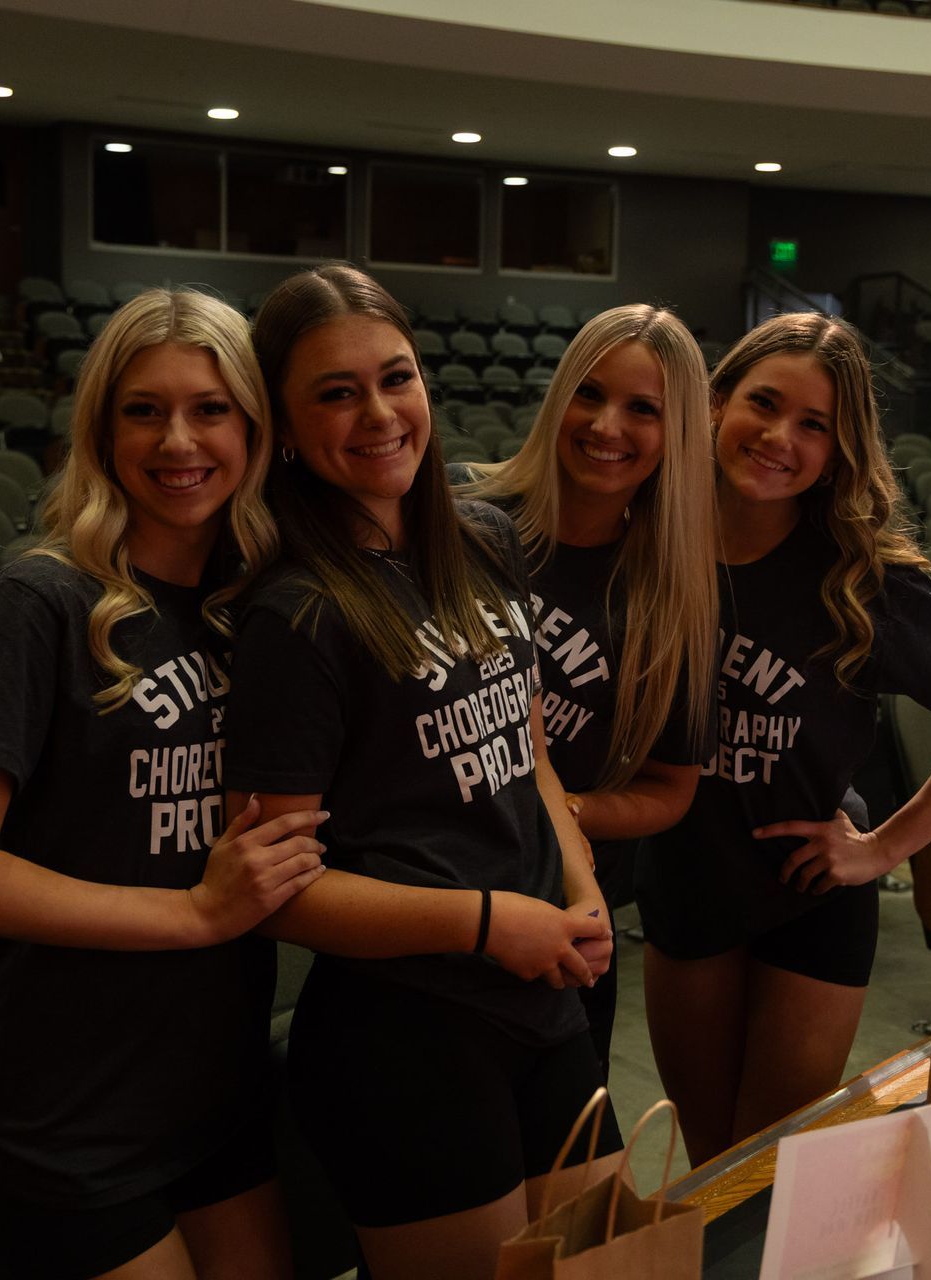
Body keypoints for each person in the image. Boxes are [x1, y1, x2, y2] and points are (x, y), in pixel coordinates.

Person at [0, 288, 321, 1280]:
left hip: (216, 1078)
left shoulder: (257, 607)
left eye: (211, 408)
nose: (180, 439)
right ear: (101, 427)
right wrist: (198, 912)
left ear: (255, 427)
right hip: (63, 1103)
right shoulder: (38, 601)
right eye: (144, 409)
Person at [224, 264, 622, 1280]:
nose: (378, 413)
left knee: (608, 1269)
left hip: (541, 996)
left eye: (393, 377)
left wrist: (578, 886)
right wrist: (491, 921)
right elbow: (282, 893)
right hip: (410, 1038)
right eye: (335, 392)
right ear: (282, 419)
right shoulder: (295, 613)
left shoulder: (484, 541)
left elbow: (524, 747)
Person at [638, 311, 931, 1166]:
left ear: (839, 448)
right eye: (765, 403)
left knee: (773, 1169)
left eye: (814, 425)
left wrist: (885, 848)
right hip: (685, 884)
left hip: (809, 895)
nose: (780, 437)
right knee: (709, 1160)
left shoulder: (858, 580)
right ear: (714, 404)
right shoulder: (651, 545)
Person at [460, 304, 717, 1080]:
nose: (608, 425)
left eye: (644, 409)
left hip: (566, 927)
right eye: (590, 393)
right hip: (435, 909)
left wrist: (564, 811)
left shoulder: (675, 594)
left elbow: (671, 790)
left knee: (563, 1183)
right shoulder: (457, 518)